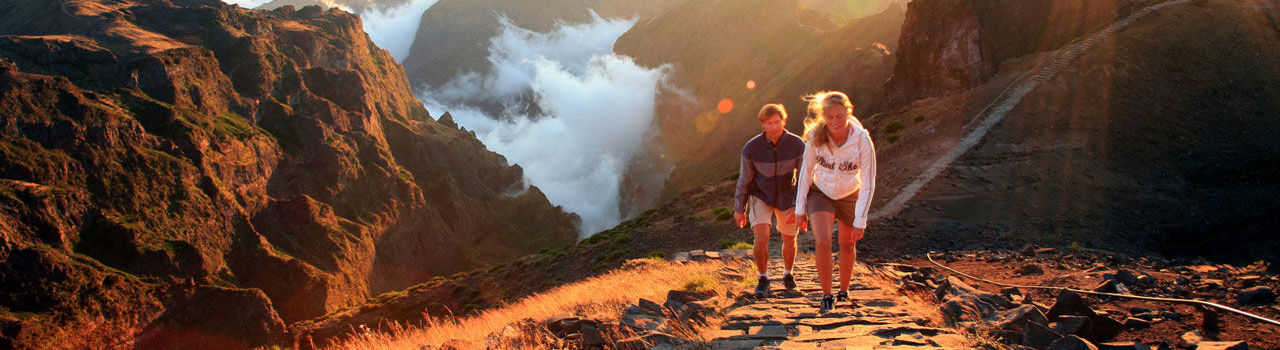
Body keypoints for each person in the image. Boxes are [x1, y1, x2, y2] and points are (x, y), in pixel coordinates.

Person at [794, 91, 877, 313]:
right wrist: (800, 209)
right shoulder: (815, 138)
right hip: (821, 192)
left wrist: (861, 219)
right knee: (823, 240)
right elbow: (805, 173)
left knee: (848, 244)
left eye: (839, 116)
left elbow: (868, 181)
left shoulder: (861, 139)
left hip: (850, 193)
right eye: (830, 117)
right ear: (824, 117)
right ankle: (826, 295)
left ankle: (844, 290)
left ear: (848, 113)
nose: (835, 122)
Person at [734, 104, 806, 298]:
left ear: (784, 121)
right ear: (762, 124)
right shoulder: (751, 148)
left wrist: (800, 207)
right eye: (769, 123)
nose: (773, 127)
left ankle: (788, 274)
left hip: (787, 196)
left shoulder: (797, 145)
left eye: (777, 122)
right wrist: (739, 208)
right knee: (761, 237)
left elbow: (805, 177)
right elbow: (744, 179)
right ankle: (763, 278)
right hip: (760, 195)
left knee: (789, 238)